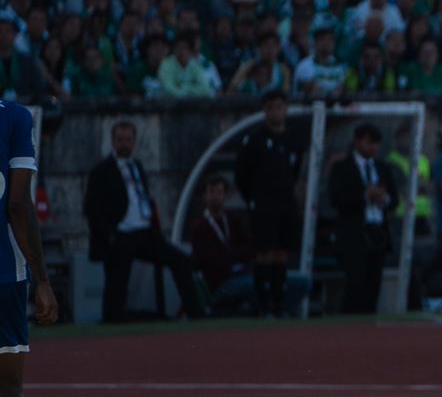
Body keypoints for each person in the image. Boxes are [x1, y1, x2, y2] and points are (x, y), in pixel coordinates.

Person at [83, 120, 206, 321]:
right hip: (121, 234)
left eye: (128, 140)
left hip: (144, 232)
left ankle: (196, 313)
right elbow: (91, 208)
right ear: (113, 141)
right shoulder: (101, 171)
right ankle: (111, 320)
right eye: (120, 140)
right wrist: (109, 235)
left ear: (134, 141)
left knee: (181, 261)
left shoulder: (137, 166)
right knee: (117, 281)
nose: (124, 144)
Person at [0, 99, 57, 397]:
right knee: (10, 390)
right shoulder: (15, 117)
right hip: (5, 274)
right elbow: (18, 205)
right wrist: (43, 281)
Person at [190, 175, 311, 315]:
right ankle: (264, 310)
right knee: (258, 284)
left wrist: (234, 256)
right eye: (211, 192)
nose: (216, 197)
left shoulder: (232, 219)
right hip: (222, 283)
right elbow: (213, 261)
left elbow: (250, 248)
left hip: (244, 274)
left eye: (219, 192)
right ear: (204, 196)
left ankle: (279, 311)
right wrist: (236, 256)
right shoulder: (199, 227)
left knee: (302, 282)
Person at [233, 89, 304, 318]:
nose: (276, 111)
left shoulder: (293, 138)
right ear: (264, 111)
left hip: (286, 202)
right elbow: (241, 175)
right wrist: (254, 198)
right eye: (271, 107)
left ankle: (279, 303)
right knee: (264, 252)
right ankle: (264, 305)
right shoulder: (255, 140)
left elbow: (294, 169)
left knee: (282, 253)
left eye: (280, 106)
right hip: (263, 204)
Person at [327, 123, 394, 314]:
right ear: (357, 142)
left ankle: (369, 324)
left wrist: (384, 198)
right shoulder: (342, 167)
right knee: (355, 283)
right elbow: (336, 198)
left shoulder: (382, 167)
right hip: (354, 233)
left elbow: (395, 198)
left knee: (373, 284)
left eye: (375, 143)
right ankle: (349, 323)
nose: (372, 147)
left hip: (377, 231)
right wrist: (364, 196)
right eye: (368, 142)